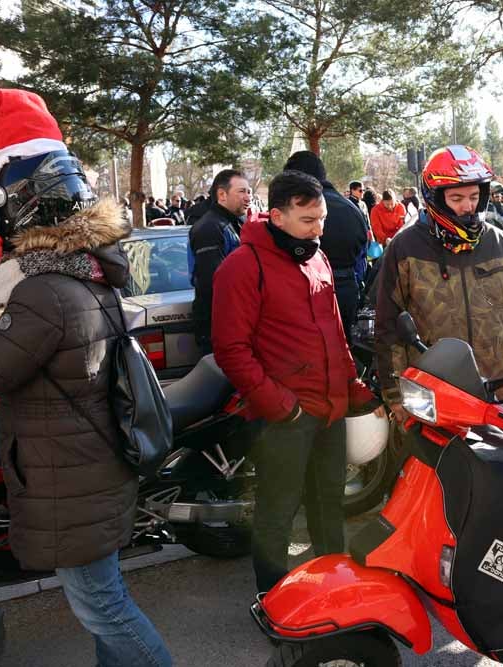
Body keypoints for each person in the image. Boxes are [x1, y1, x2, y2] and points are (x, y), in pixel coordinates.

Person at [0, 88, 171, 666]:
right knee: (103, 608)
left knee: (104, 607)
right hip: (92, 463)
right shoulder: (90, 273)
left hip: (66, 476)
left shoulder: (40, 290)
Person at [212, 171, 381, 593]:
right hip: (283, 417)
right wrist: (281, 406)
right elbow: (231, 349)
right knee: (278, 512)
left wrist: (355, 390)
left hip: (328, 409)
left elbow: (334, 335)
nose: (319, 228)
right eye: (308, 220)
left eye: (321, 218)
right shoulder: (242, 265)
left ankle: (332, 587)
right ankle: (271, 597)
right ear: (277, 216)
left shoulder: (317, 257)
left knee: (328, 504)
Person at [375, 145, 503, 421]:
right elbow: (389, 326)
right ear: (436, 198)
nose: (467, 206)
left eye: (474, 196)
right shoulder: (405, 248)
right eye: (457, 197)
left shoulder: (501, 243)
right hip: (434, 393)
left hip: (499, 389)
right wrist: (396, 395)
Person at [283, 150, 370, 342]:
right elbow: (362, 254)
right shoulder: (352, 208)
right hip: (347, 289)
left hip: (307, 292)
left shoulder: (297, 207)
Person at [188, 168, 250, 354]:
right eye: (241, 191)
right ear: (222, 195)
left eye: (249, 192)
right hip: (219, 324)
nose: (247, 197)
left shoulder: (236, 222)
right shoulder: (210, 227)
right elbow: (213, 282)